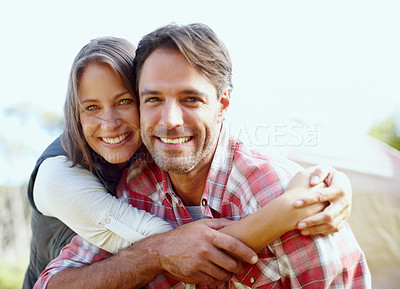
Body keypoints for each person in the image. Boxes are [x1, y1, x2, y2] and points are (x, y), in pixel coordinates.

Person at [34, 24, 370, 289]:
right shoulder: (111, 184)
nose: (169, 120)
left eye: (190, 99)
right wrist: (284, 212)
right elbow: (175, 248)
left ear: (222, 104)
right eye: (153, 99)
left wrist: (303, 196)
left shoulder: (287, 195)